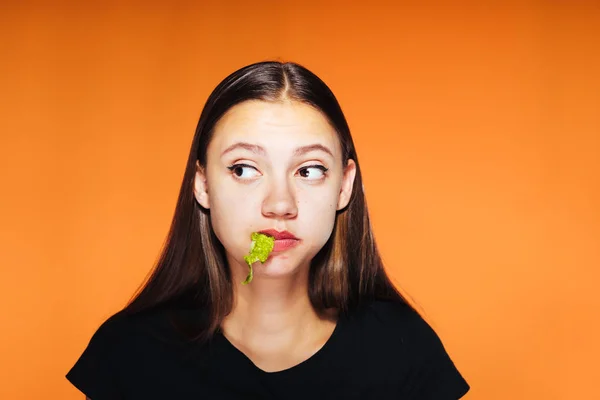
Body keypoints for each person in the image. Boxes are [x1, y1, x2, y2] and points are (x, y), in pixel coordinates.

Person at [66, 61, 470, 399]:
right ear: (203, 184)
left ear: (344, 185)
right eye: (244, 169)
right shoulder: (130, 354)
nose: (280, 204)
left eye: (310, 170)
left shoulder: (404, 352)